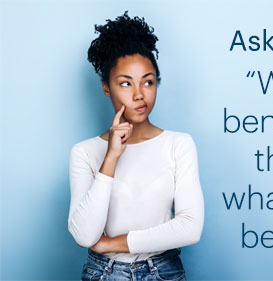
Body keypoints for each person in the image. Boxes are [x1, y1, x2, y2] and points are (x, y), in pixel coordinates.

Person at [67, 11, 204, 281]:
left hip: (164, 272)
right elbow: (84, 235)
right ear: (107, 87)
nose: (139, 94)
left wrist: (112, 243)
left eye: (148, 82)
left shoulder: (178, 144)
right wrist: (111, 158)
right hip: (104, 274)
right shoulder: (84, 153)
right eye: (126, 83)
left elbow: (190, 228)